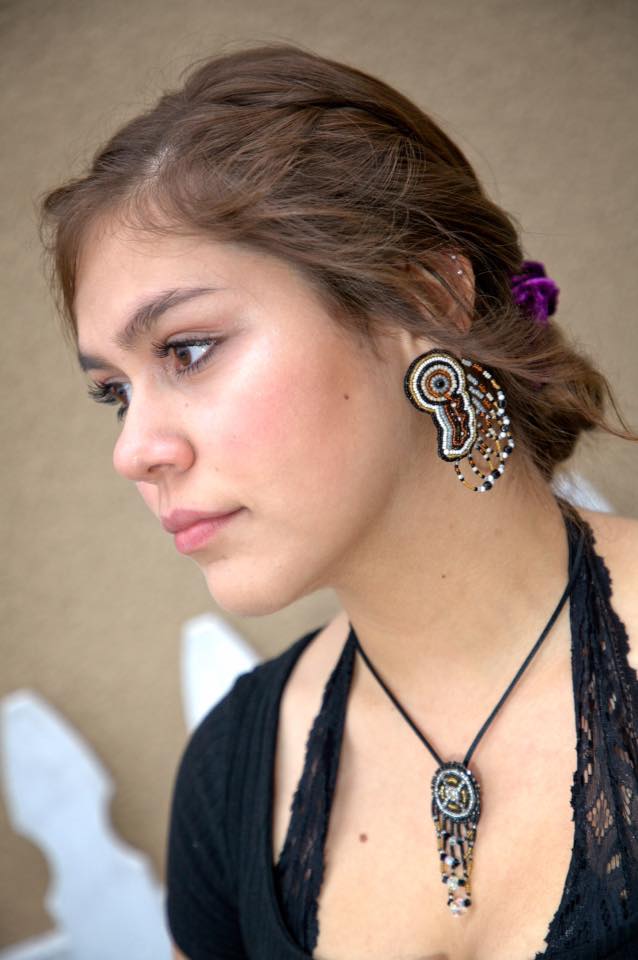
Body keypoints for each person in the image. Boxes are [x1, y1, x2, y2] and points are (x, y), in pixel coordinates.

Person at [39, 41, 638, 960]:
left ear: (421, 299)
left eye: (187, 351)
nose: (134, 451)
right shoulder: (229, 783)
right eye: (114, 393)